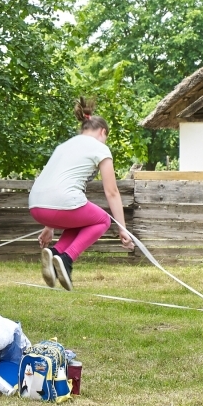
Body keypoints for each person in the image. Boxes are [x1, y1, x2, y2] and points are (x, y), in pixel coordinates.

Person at [28, 97, 133, 290]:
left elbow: (53, 181)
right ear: (103, 132)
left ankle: (56, 253)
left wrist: (49, 226)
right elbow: (112, 191)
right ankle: (67, 259)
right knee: (102, 220)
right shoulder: (100, 147)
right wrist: (122, 228)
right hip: (63, 203)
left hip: (35, 205)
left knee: (82, 220)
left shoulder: (64, 146)